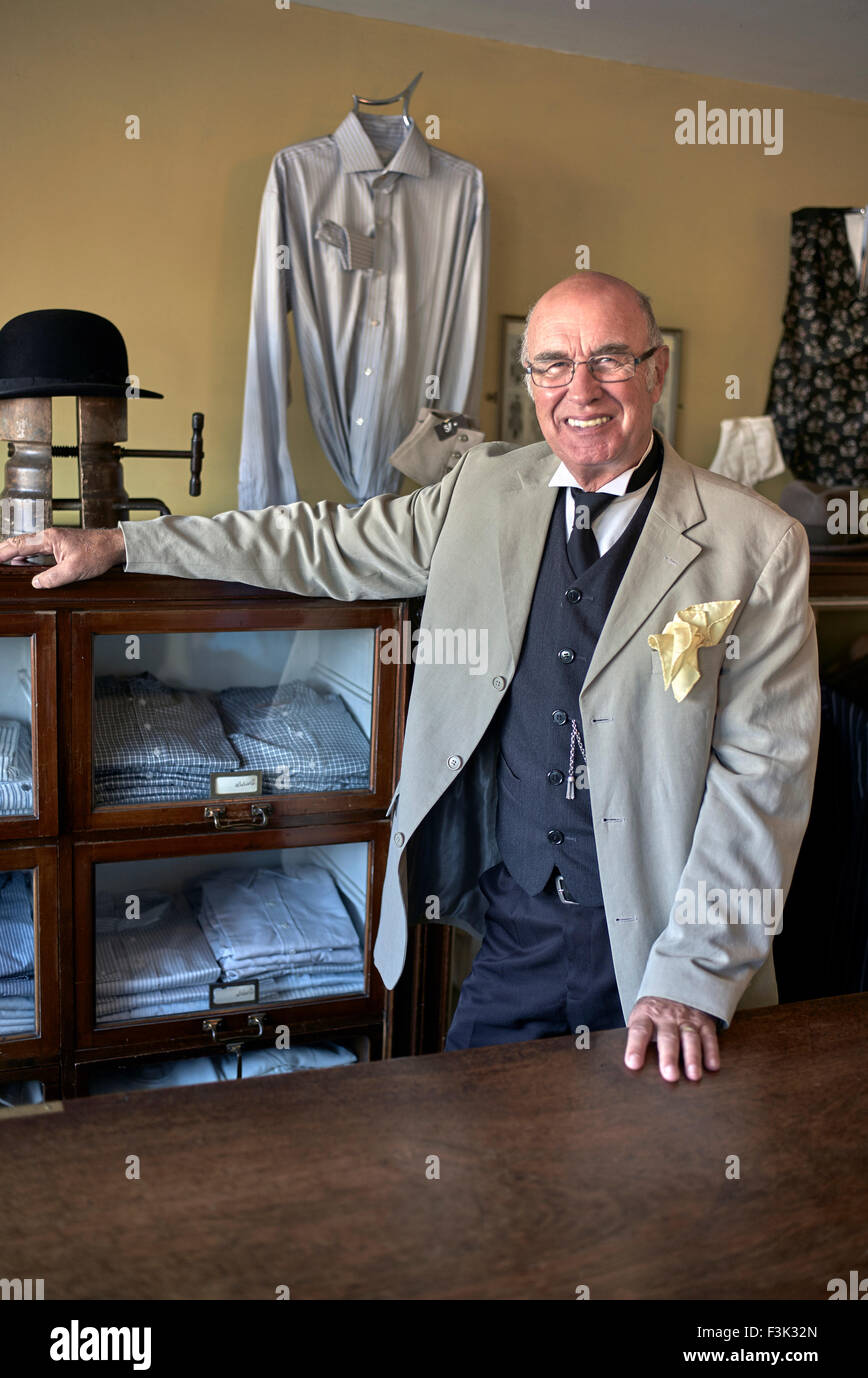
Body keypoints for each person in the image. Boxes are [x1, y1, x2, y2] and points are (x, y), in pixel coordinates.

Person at [0, 271, 820, 1082]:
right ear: (531, 380)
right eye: (553, 366)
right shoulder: (485, 491)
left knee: (657, 1189)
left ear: (655, 369)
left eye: (609, 360)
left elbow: (764, 781)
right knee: (469, 1164)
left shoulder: (759, 542)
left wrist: (691, 978)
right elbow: (319, 542)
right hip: (518, 925)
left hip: (665, 948)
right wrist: (128, 545)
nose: (582, 391)